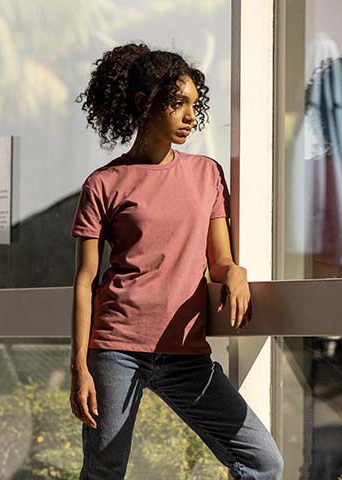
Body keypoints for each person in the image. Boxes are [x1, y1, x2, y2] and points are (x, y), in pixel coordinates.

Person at [68, 43, 284, 479]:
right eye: (177, 103)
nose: (190, 116)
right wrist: (79, 366)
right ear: (143, 103)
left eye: (193, 105)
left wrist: (236, 274)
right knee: (104, 471)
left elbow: (220, 259)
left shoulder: (207, 174)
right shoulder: (104, 183)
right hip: (116, 348)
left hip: (185, 354)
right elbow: (85, 281)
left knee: (263, 462)